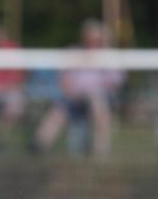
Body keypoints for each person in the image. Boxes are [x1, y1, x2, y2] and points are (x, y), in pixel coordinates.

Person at [32, 19, 125, 158]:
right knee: (59, 111)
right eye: (89, 38)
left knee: (96, 102)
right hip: (75, 98)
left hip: (100, 98)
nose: (92, 42)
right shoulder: (74, 52)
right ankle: (39, 146)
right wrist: (72, 91)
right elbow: (64, 79)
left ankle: (100, 151)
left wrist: (93, 89)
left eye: (96, 39)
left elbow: (116, 81)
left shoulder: (109, 55)